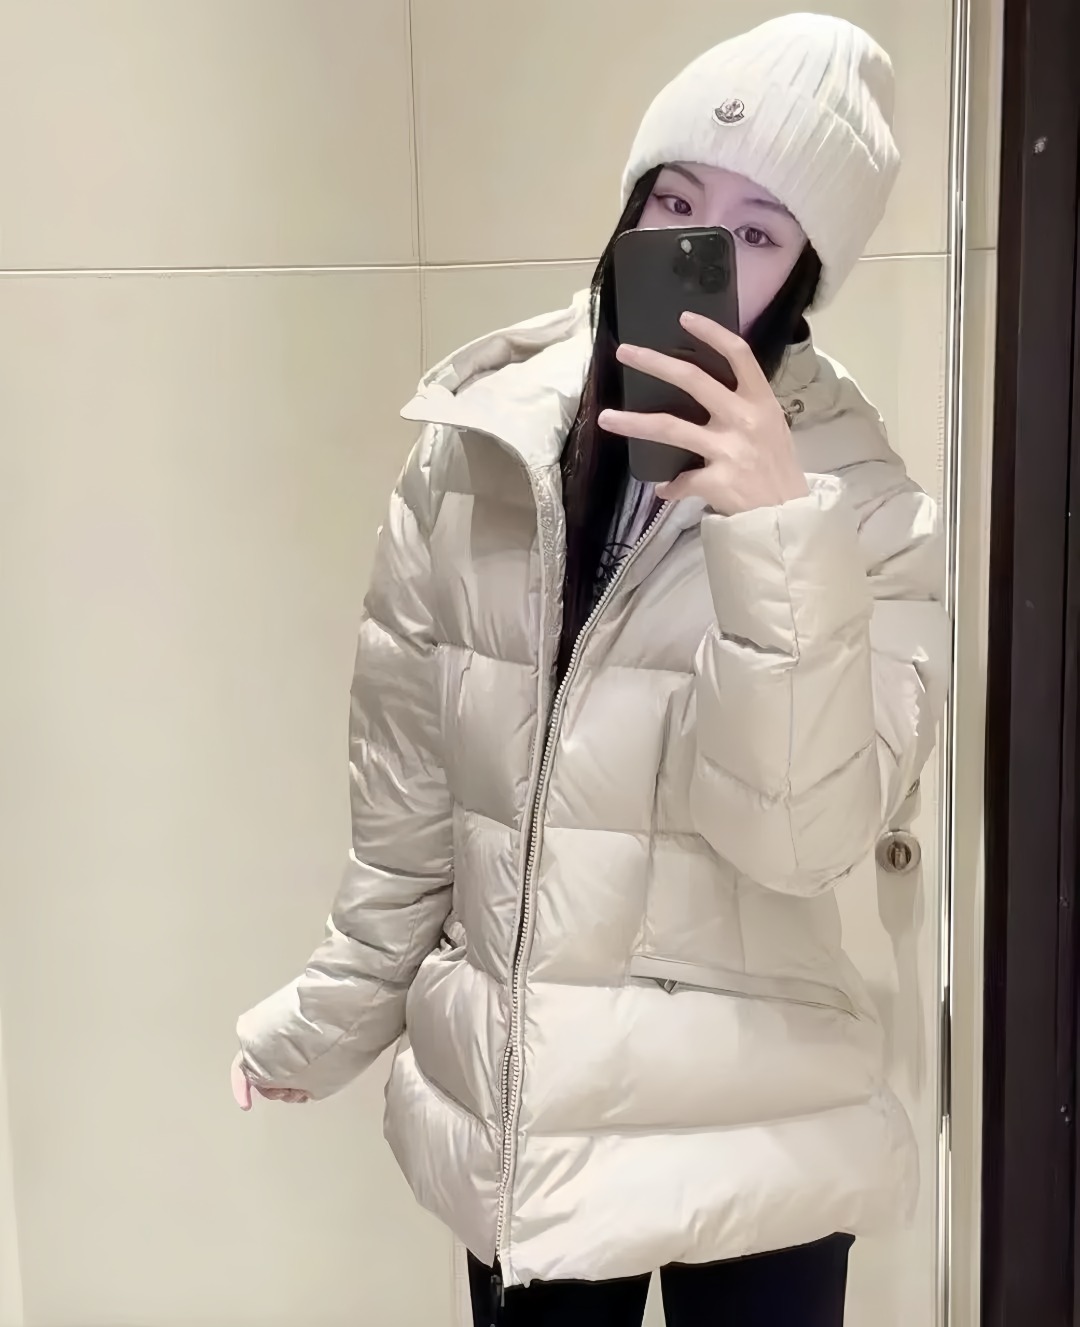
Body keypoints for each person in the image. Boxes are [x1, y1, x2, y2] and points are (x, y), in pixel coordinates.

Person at [233, 14, 949, 1326]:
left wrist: (775, 535)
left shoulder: (867, 509)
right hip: (539, 1125)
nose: (700, 250)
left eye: (758, 232)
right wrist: (333, 1012)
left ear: (806, 276)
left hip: (762, 1128)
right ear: (630, 209)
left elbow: (805, 840)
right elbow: (413, 801)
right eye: (677, 203)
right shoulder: (479, 450)